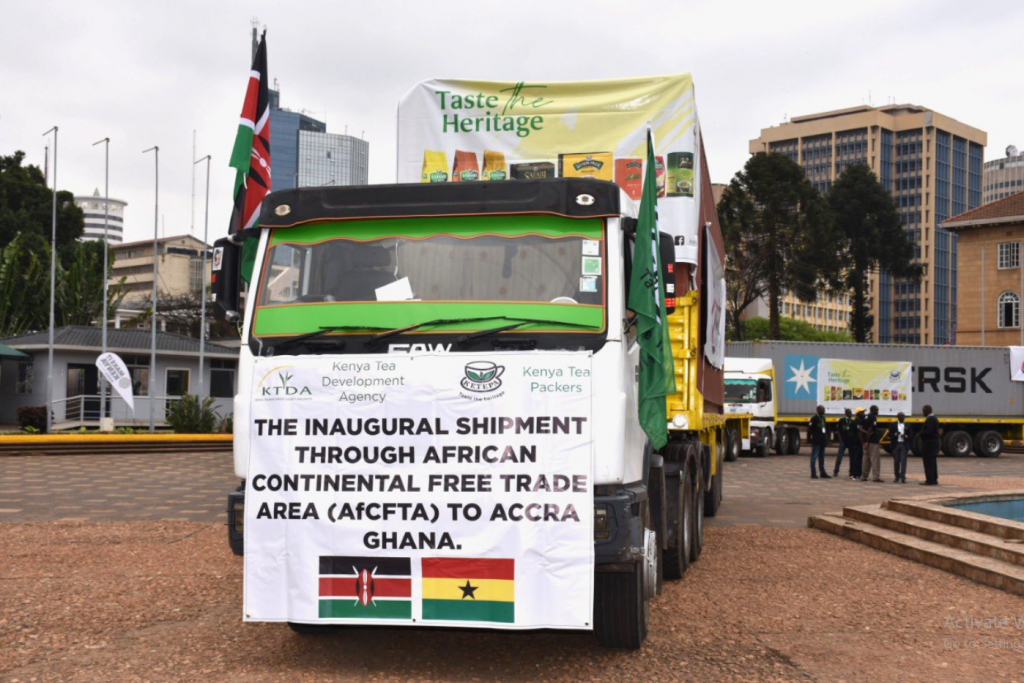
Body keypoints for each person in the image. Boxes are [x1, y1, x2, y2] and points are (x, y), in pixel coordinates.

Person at [860, 404, 883, 482]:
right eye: (876, 410)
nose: (877, 411)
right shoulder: (873, 418)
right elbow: (870, 430)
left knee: (866, 460)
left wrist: (865, 441)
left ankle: (863, 476)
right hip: (872, 442)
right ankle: (876, 477)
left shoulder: (864, 417)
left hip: (865, 441)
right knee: (875, 459)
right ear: (872, 410)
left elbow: (860, 428)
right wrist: (868, 441)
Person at [889, 412, 913, 484]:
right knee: (896, 461)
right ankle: (896, 477)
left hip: (904, 445)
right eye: (900, 416)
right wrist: (896, 434)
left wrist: (906, 436)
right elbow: (890, 434)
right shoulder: (893, 424)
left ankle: (903, 477)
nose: (902, 417)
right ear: (897, 417)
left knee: (903, 462)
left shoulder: (908, 425)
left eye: (903, 416)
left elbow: (911, 435)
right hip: (896, 445)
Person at [920, 405, 941, 486]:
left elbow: (929, 431)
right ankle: (933, 479)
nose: (923, 412)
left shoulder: (931, 419)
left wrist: (921, 434)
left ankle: (930, 480)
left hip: (929, 444)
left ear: (927, 410)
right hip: (931, 443)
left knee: (928, 462)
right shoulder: (933, 418)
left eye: (923, 410)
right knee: (932, 462)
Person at [808, 405, 830, 479]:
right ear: (818, 410)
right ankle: (813, 473)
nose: (824, 411)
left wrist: (826, 439)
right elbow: (810, 429)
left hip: (822, 441)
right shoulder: (814, 418)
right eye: (822, 409)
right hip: (816, 442)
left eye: (824, 409)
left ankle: (822, 473)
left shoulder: (823, 418)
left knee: (822, 458)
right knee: (814, 457)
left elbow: (824, 429)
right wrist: (814, 437)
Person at [833, 408, 856, 477]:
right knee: (839, 457)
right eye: (848, 413)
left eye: (851, 413)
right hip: (843, 441)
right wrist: (840, 440)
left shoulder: (853, 421)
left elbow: (854, 432)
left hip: (850, 441)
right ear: (845, 414)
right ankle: (836, 471)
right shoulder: (842, 421)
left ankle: (851, 472)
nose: (850, 414)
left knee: (852, 457)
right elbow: (838, 430)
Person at [850, 407, 866, 480]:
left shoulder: (857, 420)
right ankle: (856, 475)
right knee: (857, 458)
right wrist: (862, 442)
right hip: (856, 442)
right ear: (858, 413)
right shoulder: (857, 420)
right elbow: (859, 431)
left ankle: (855, 474)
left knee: (856, 458)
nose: (864, 414)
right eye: (862, 412)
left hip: (854, 442)